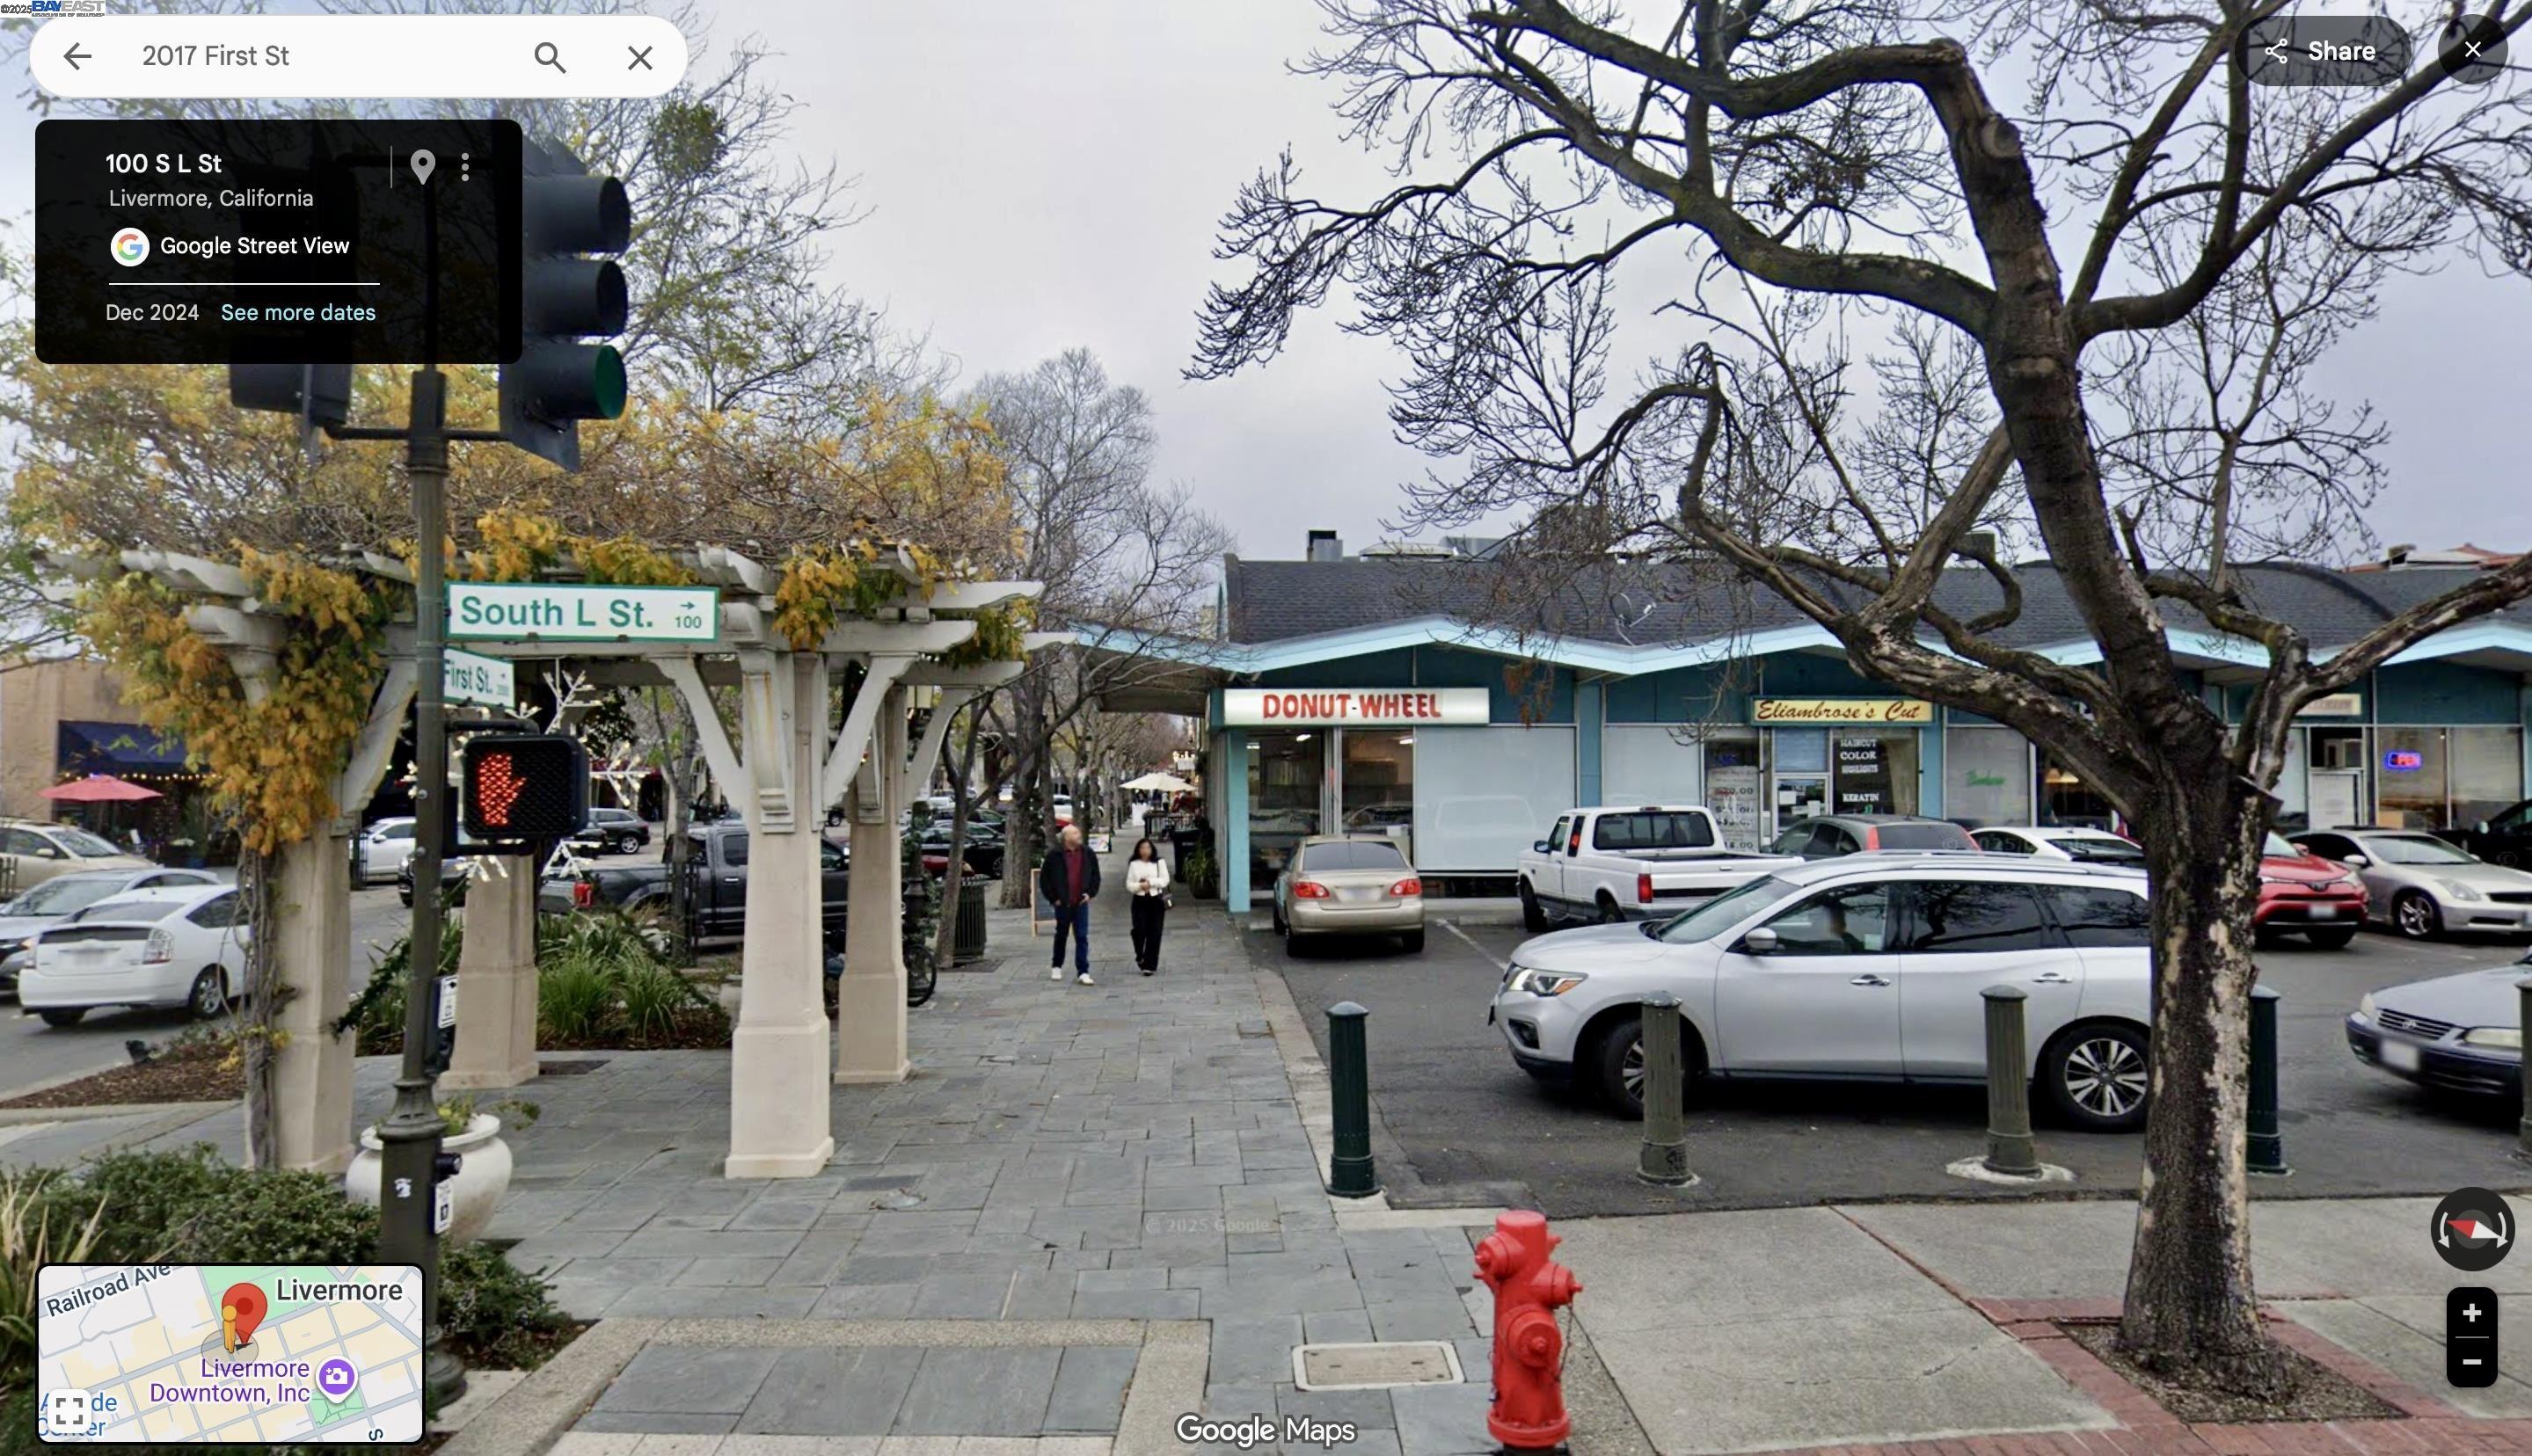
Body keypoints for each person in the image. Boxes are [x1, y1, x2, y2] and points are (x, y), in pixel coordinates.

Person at [1040, 824, 1100, 986]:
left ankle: (1083, 971)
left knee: (1082, 936)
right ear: (1066, 838)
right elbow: (1045, 879)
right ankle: (1057, 965)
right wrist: (1054, 899)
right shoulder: (1055, 855)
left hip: (1081, 902)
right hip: (1063, 903)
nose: (1079, 834)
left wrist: (1090, 893)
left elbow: (1095, 875)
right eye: (1075, 833)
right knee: (1061, 934)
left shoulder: (1087, 853)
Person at [1125, 837, 1171, 976]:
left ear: (1152, 849)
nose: (1145, 851)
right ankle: (1140, 955)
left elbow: (1165, 880)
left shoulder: (1159, 862)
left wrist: (1150, 882)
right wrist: (1139, 886)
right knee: (1139, 930)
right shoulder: (1134, 864)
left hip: (1156, 900)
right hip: (1139, 900)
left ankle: (1150, 965)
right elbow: (1129, 884)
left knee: (1155, 932)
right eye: (1142, 848)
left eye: (1147, 848)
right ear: (1138, 850)